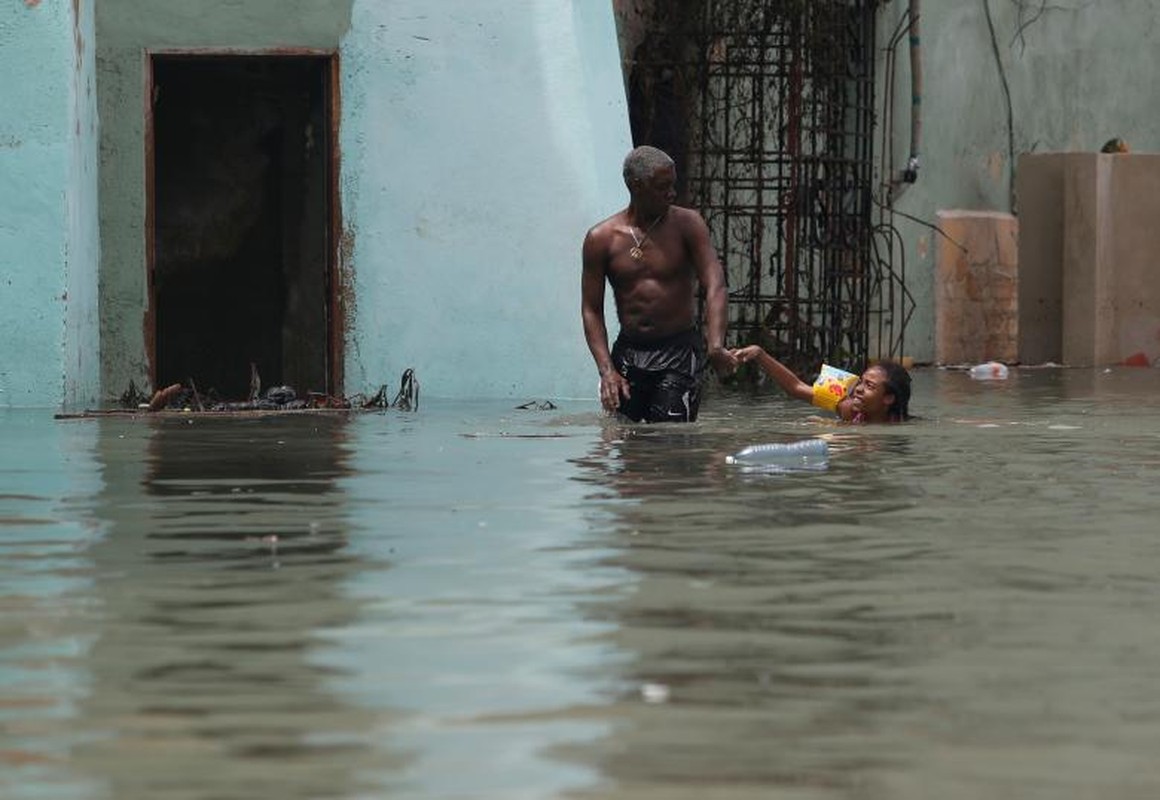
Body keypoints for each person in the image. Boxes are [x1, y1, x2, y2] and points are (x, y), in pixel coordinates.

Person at [581, 146, 737, 422]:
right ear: (637, 186)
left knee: (670, 444)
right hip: (628, 354)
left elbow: (715, 285)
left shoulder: (688, 224)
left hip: (678, 352)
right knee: (626, 443)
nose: (671, 193)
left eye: (672, 185)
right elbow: (592, 309)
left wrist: (715, 345)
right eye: (662, 187)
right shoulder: (601, 238)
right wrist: (607, 370)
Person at [732, 345, 912, 423]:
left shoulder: (900, 426)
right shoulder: (850, 410)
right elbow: (797, 388)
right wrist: (760, 355)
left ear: (888, 398)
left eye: (869, 386)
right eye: (861, 382)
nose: (857, 389)